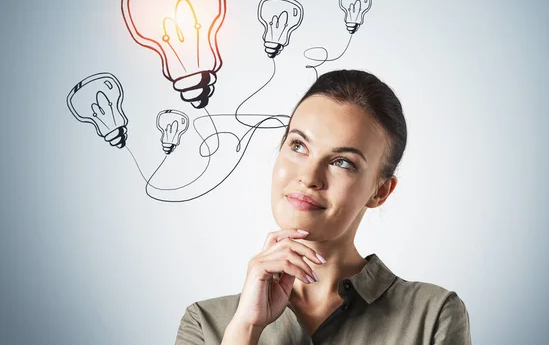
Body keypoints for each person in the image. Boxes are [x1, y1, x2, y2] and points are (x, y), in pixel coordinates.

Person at [175, 69, 471, 344]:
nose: (308, 177)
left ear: (380, 191)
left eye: (342, 162)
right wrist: (245, 328)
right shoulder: (206, 324)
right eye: (298, 146)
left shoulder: (432, 316)